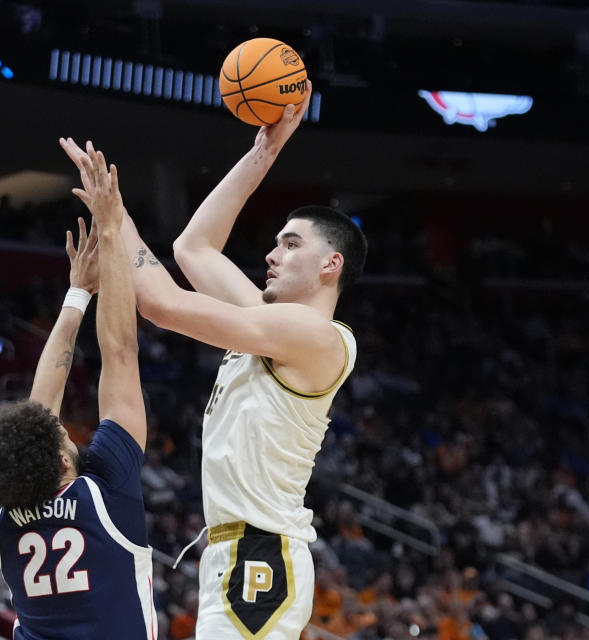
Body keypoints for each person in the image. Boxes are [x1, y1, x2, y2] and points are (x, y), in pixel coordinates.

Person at [60, 86, 367, 639]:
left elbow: (162, 303)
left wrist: (115, 217)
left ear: (331, 264)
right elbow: (193, 249)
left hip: (258, 554)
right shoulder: (272, 327)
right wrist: (263, 154)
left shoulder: (317, 336)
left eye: (291, 245)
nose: (272, 254)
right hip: (238, 552)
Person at [0, 215, 156, 639]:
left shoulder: (5, 511)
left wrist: (79, 292)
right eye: (62, 432)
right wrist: (110, 237)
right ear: (60, 460)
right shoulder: (102, 494)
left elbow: (38, 412)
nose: (62, 425)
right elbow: (120, 354)